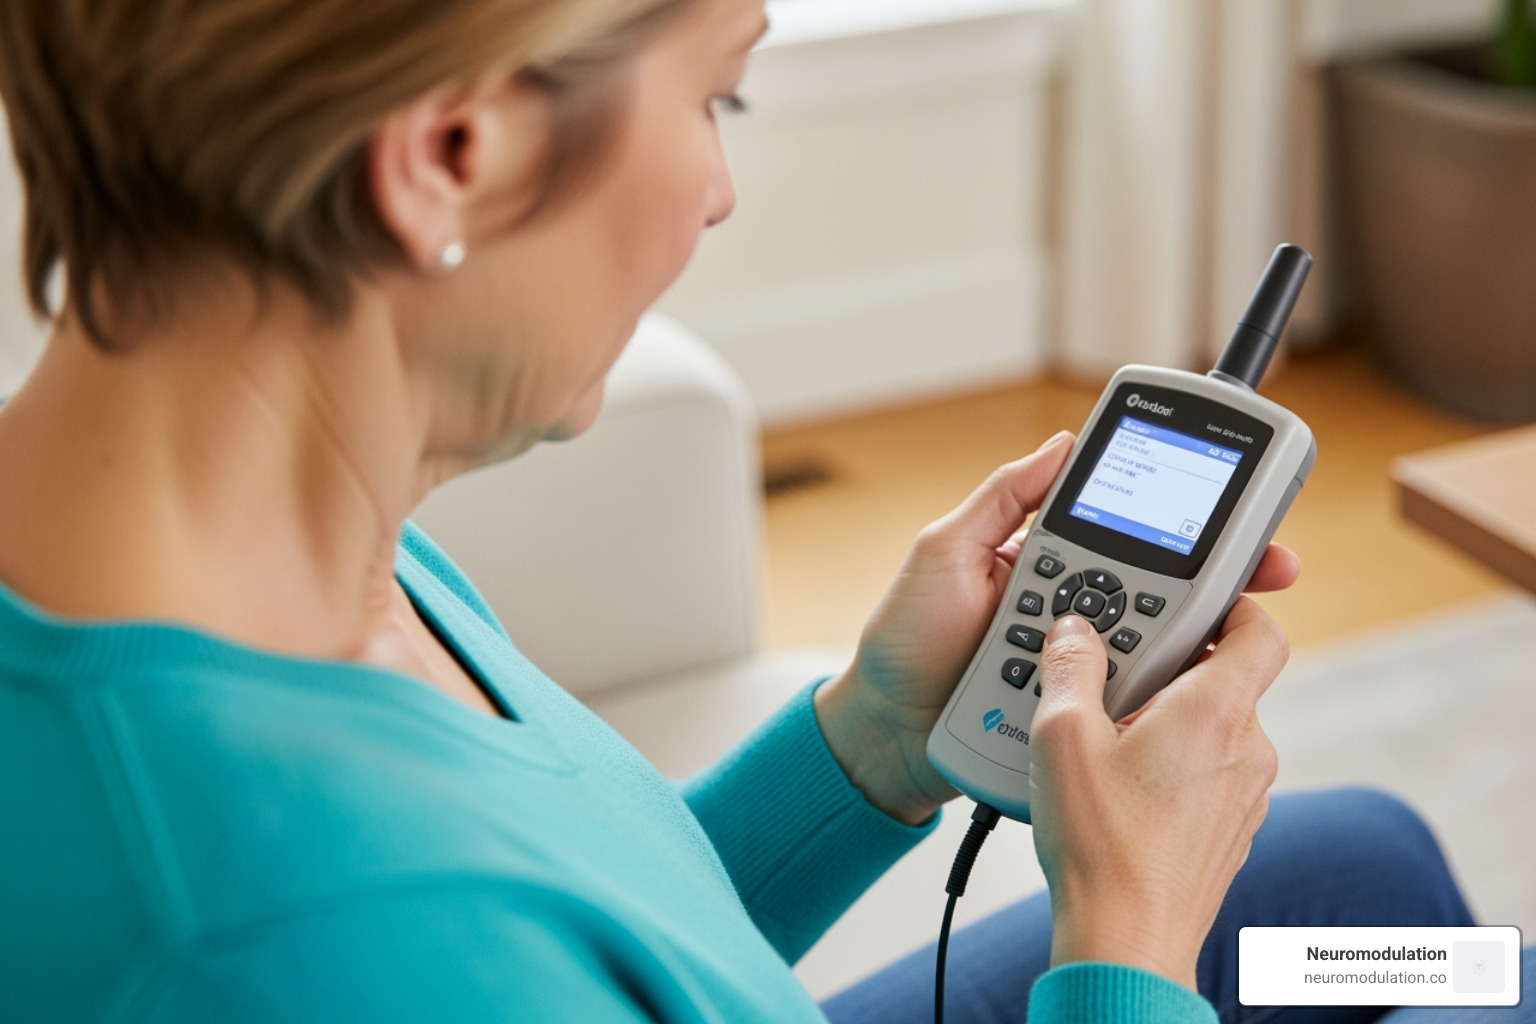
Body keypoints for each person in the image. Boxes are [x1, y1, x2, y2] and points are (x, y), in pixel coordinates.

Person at [0, 0, 1523, 1020]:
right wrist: (1122, 947)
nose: (718, 191)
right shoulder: (302, 948)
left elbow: (607, 933)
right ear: (451, 156)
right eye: (715, 93)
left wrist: (870, 739)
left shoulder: (275, 534)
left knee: (1369, 886)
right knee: (1479, 991)